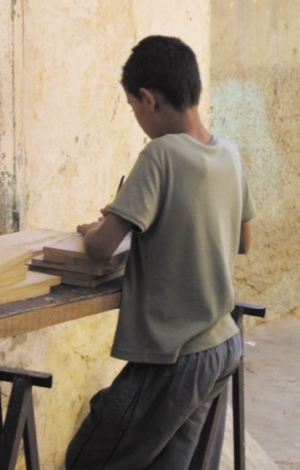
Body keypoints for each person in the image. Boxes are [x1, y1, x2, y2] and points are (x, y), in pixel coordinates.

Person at [65, 35, 256, 469]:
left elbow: (99, 249)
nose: (138, 119)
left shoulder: (160, 154)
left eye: (133, 110)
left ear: (148, 99)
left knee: (85, 458)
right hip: (222, 344)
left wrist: (104, 221)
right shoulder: (229, 153)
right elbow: (242, 242)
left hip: (175, 354)